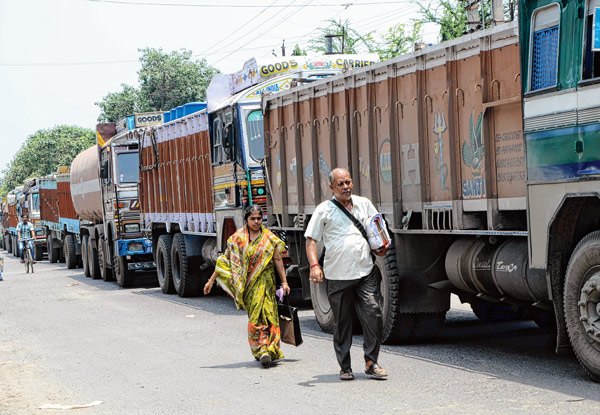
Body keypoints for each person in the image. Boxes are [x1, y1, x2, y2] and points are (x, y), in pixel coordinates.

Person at [305, 167, 390, 381]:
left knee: (373, 313)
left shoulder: (364, 203)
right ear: (331, 187)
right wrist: (315, 265)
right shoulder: (324, 210)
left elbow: (377, 227)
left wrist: (382, 245)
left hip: (365, 271)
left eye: (348, 182)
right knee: (342, 323)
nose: (346, 187)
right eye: (341, 184)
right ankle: (345, 366)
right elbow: (311, 241)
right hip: (337, 276)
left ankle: (371, 362)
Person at [203, 204, 291, 368]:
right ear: (246, 220)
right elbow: (225, 261)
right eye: (253, 219)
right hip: (248, 287)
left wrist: (284, 282)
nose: (256, 222)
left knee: (269, 316)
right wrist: (211, 280)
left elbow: (278, 260)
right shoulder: (238, 239)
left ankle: (268, 349)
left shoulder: (269, 238)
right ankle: (261, 348)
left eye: (259, 218)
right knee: (256, 317)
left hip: (267, 284)